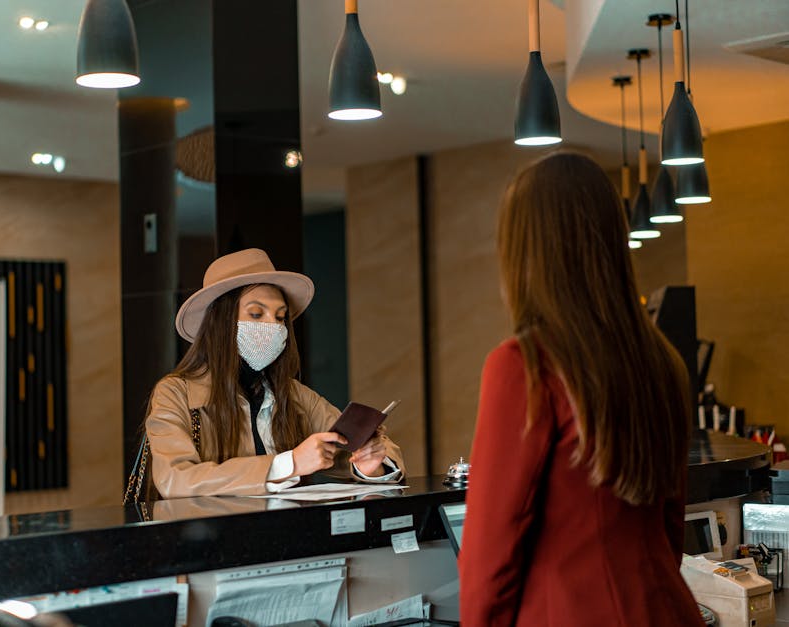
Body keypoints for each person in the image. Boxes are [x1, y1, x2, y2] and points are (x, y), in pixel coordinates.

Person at [459, 153, 703, 626]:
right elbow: (671, 528)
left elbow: (490, 554)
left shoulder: (523, 365)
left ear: (524, 251)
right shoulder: (663, 361)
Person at [144, 248, 403, 499]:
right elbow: (174, 479)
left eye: (280, 317)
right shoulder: (176, 393)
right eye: (256, 314)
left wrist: (370, 466)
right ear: (220, 322)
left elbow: (359, 447)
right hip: (212, 539)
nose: (273, 326)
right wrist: (288, 464)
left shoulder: (293, 394)